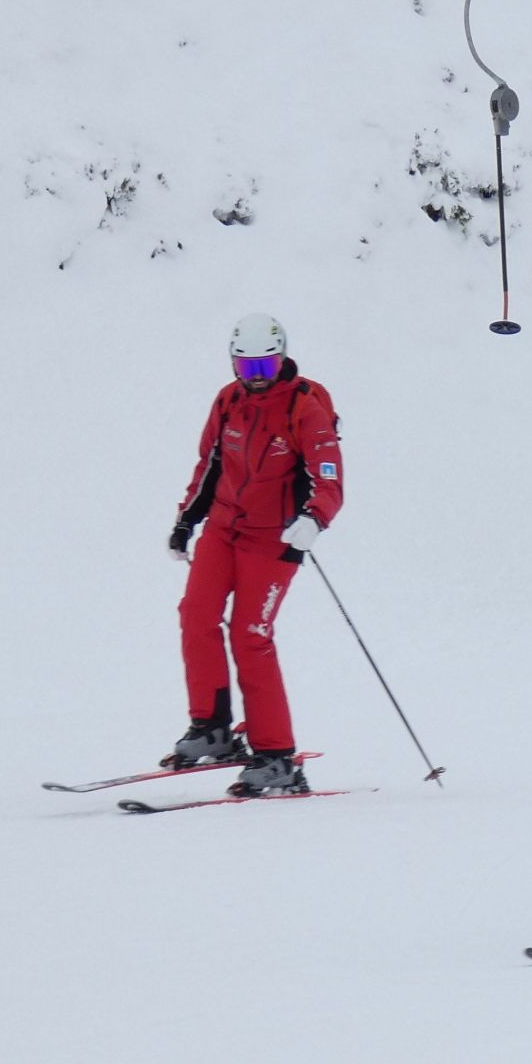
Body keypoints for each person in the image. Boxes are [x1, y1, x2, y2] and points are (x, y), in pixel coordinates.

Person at [166, 314, 343, 797]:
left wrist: (314, 519)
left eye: (265, 364)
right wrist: (187, 520)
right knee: (195, 615)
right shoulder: (228, 402)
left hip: (274, 538)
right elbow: (209, 467)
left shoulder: (305, 408)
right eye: (247, 366)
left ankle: (276, 756)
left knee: (251, 634)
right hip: (224, 529)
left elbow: (329, 478)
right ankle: (211, 728)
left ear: (282, 357)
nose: (256, 376)